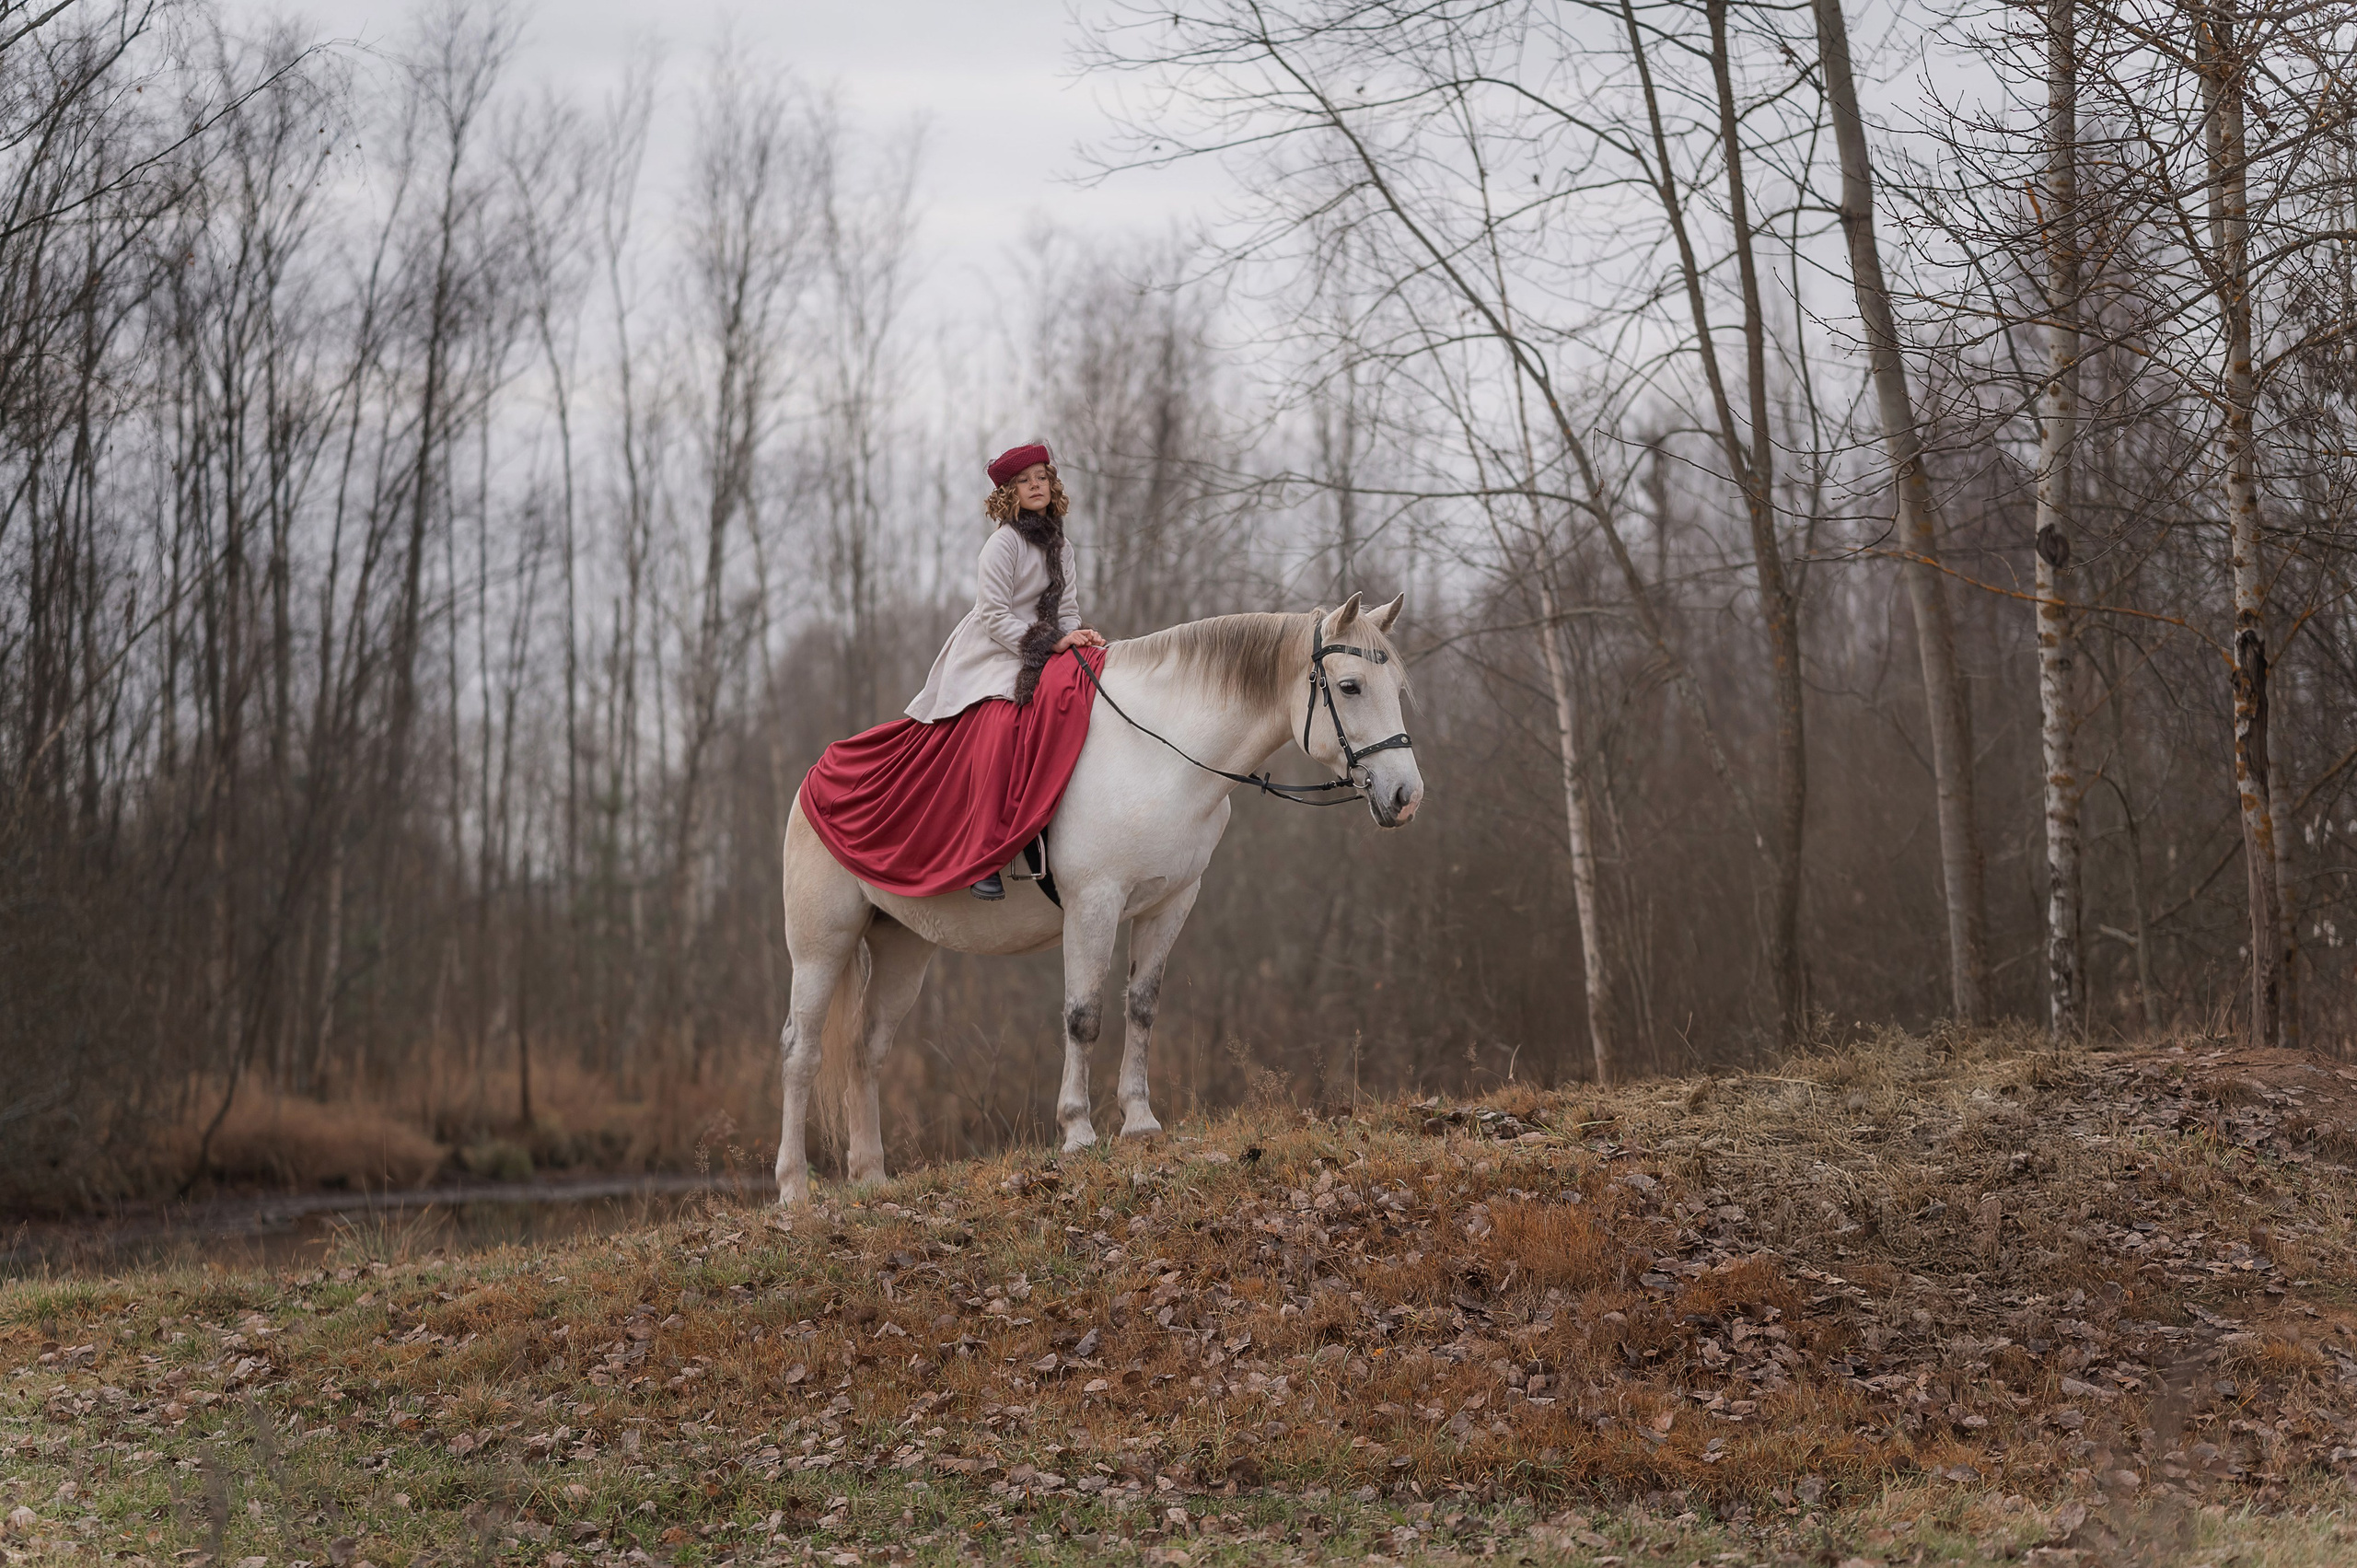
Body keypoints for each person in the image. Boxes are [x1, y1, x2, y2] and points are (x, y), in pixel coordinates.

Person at [905, 442, 1106, 899]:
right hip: (994, 649)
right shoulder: (1003, 544)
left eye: (1042, 477)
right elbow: (994, 616)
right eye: (1024, 481)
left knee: (1085, 689)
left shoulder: (1063, 547)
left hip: (1044, 645)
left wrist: (1077, 637)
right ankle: (983, 852)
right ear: (1008, 493)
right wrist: (1052, 642)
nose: (1036, 486)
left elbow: (1067, 611)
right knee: (1001, 719)